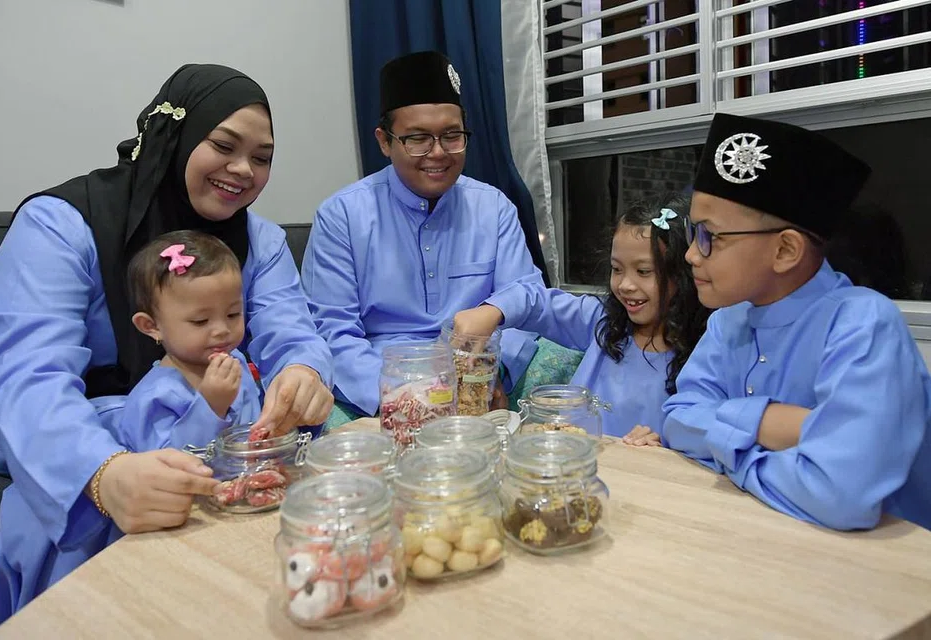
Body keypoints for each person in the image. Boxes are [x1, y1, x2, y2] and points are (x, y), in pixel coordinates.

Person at [0, 64, 334, 629]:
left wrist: (304, 373)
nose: (243, 170)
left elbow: (292, 330)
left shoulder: (257, 239)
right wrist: (103, 473)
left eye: (261, 158)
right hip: (77, 433)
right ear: (178, 136)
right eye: (223, 145)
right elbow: (25, 377)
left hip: (212, 433)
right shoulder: (62, 224)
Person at [662, 113, 931, 531]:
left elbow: (839, 493)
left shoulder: (864, 324)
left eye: (709, 236)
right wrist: (777, 423)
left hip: (882, 572)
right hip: (764, 540)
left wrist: (728, 441)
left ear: (786, 251)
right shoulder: (728, 321)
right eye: (692, 232)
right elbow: (677, 420)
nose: (691, 255)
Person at [301, 50, 544, 418]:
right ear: (385, 142)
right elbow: (332, 331)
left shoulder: (493, 208)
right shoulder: (342, 215)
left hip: (477, 373)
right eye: (417, 139)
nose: (438, 153)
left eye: (451, 136)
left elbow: (526, 295)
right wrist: (400, 398)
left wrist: (494, 372)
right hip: (384, 381)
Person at [453, 195, 710, 440]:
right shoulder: (601, 321)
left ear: (683, 274)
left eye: (643, 271)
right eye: (617, 269)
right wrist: (493, 311)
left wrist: (660, 443)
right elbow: (537, 302)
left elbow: (696, 434)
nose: (626, 285)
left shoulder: (703, 353)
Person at [121, 230, 262, 451]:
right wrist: (211, 406)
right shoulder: (154, 398)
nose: (221, 330)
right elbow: (168, 470)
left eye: (233, 314)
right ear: (152, 326)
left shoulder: (235, 361)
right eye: (200, 321)